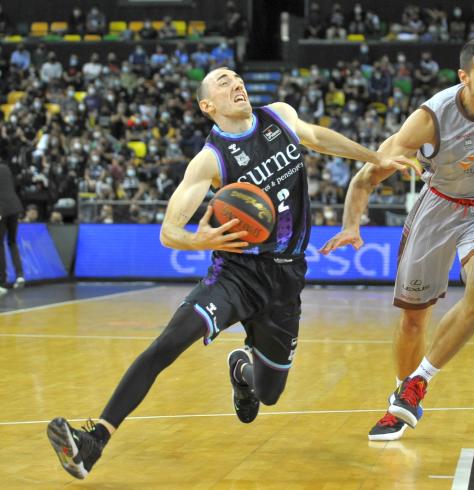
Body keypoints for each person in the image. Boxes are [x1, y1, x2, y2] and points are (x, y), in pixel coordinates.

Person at [46, 66, 417, 480]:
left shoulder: (279, 115)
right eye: (223, 82)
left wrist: (376, 157)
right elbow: (170, 231)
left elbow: (317, 138)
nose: (235, 83)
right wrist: (197, 242)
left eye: (236, 78)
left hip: (286, 277)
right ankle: (93, 441)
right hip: (236, 274)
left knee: (269, 394)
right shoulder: (210, 159)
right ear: (208, 105)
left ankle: (242, 368)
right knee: (167, 344)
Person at [320, 36, 474, 441]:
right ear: (464, 77)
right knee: (413, 319)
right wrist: (352, 224)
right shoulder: (430, 119)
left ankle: (417, 383)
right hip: (441, 205)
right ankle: (401, 400)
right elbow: (368, 174)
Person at [0, 163, 25, 294]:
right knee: (12, 242)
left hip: (2, 209)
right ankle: (20, 275)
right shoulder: (6, 168)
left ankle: (2, 283)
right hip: (15, 207)